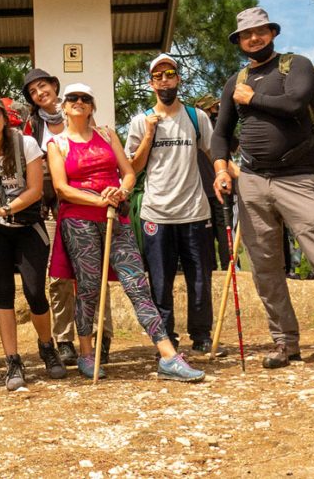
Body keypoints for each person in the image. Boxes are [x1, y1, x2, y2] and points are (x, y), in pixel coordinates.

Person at [211, 7, 314, 376]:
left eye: (260, 31)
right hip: (251, 181)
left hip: (299, 179)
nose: (254, 38)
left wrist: (251, 99)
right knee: (266, 269)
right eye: (246, 34)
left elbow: (295, 103)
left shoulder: (295, 65)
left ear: (272, 32)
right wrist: (221, 169)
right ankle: (284, 340)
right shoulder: (234, 81)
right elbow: (221, 134)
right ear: (239, 42)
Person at [47, 83, 205, 383]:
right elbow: (61, 187)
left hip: (115, 219)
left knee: (137, 284)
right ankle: (85, 352)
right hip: (79, 221)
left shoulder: (107, 134)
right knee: (89, 287)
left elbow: (129, 171)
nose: (79, 102)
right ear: (64, 107)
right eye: (73, 99)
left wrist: (120, 192)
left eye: (85, 98)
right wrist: (98, 199)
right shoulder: (58, 144)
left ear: (92, 106)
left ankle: (168, 356)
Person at [0, 92, 67, 390]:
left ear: (4, 118)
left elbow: (34, 189)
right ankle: (12, 360)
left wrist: (6, 208)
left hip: (27, 225)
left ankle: (47, 346)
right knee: (4, 293)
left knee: (35, 292)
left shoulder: (26, 143)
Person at [126, 55, 216, 354]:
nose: (165, 80)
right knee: (161, 281)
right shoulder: (140, 121)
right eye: (158, 76)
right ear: (151, 83)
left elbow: (214, 152)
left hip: (194, 210)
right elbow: (133, 168)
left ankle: (201, 334)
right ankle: (166, 339)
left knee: (200, 278)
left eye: (170, 74)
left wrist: (224, 173)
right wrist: (150, 134)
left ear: (178, 79)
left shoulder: (196, 117)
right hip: (157, 213)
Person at [22, 67, 95, 368]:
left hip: (79, 199)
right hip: (46, 204)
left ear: (55, 86)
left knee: (88, 270)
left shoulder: (76, 112)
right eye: (33, 92)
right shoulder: (31, 126)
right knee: (58, 273)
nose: (40, 94)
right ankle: (63, 339)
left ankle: (94, 335)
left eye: (43, 86)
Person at [194, 94, 232, 270]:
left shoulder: (195, 128)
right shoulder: (214, 128)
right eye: (214, 108)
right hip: (215, 186)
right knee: (223, 228)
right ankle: (227, 266)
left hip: (205, 188)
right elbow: (234, 145)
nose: (217, 111)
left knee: (210, 232)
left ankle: (218, 266)